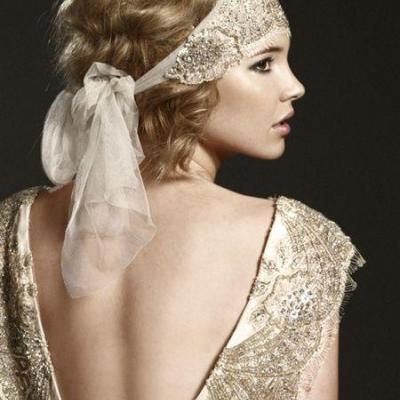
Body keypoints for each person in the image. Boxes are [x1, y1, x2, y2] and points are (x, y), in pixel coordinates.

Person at [0, 0, 366, 399]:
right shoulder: (293, 242)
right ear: (186, 79)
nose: (294, 86)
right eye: (263, 64)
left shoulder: (14, 228)